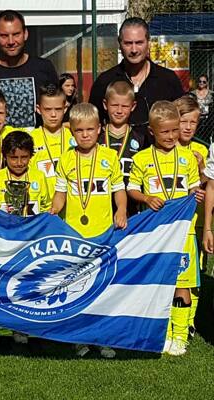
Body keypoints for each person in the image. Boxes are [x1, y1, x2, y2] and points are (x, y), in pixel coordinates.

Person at [127, 100, 204, 356]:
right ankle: (163, 334)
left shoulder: (187, 158)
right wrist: (146, 198)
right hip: (155, 235)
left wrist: (197, 194)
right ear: (152, 131)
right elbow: (132, 189)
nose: (171, 136)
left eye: (174, 130)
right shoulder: (141, 158)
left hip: (184, 232)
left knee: (182, 283)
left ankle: (180, 334)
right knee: (158, 285)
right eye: (165, 132)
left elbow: (194, 187)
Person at [50, 102, 127, 359]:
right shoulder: (66, 159)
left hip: (103, 232)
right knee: (78, 286)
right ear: (71, 132)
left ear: (99, 129)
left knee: (104, 286)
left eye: (90, 129)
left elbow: (119, 189)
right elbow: (60, 194)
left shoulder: (109, 157)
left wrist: (121, 210)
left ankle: (104, 337)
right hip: (75, 235)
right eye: (79, 130)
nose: (85, 134)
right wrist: (51, 213)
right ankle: (79, 337)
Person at [0, 131, 51, 345]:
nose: (19, 162)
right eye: (14, 158)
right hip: (3, 242)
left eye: (24, 157)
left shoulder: (40, 178)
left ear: (31, 156)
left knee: (24, 283)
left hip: (31, 243)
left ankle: (20, 326)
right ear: (5, 156)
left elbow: (48, 207)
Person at [89, 17, 184, 145]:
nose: (134, 50)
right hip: (115, 161)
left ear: (148, 42)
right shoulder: (104, 82)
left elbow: (183, 121)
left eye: (139, 42)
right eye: (128, 43)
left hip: (159, 161)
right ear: (120, 44)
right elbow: (92, 123)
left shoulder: (168, 80)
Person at [0, 10, 58, 130]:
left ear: (25, 34)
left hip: (40, 146)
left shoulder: (44, 68)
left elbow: (58, 106)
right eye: (4, 36)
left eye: (16, 34)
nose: (11, 41)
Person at [174, 95, 208, 338]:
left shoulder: (201, 149)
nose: (187, 127)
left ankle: (190, 322)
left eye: (192, 123)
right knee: (176, 273)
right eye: (183, 121)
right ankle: (170, 319)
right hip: (174, 224)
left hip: (196, 221)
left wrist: (202, 170)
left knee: (195, 274)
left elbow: (207, 185)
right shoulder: (166, 146)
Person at [98, 80, 144, 215]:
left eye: (124, 106)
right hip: (101, 206)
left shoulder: (141, 138)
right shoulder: (96, 137)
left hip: (132, 209)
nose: (119, 111)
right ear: (105, 105)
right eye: (114, 105)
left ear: (133, 106)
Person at [30, 84, 75, 197]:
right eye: (48, 109)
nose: (53, 114)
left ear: (65, 108)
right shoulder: (31, 139)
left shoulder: (74, 136)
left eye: (58, 109)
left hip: (72, 203)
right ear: (38, 109)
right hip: (43, 206)